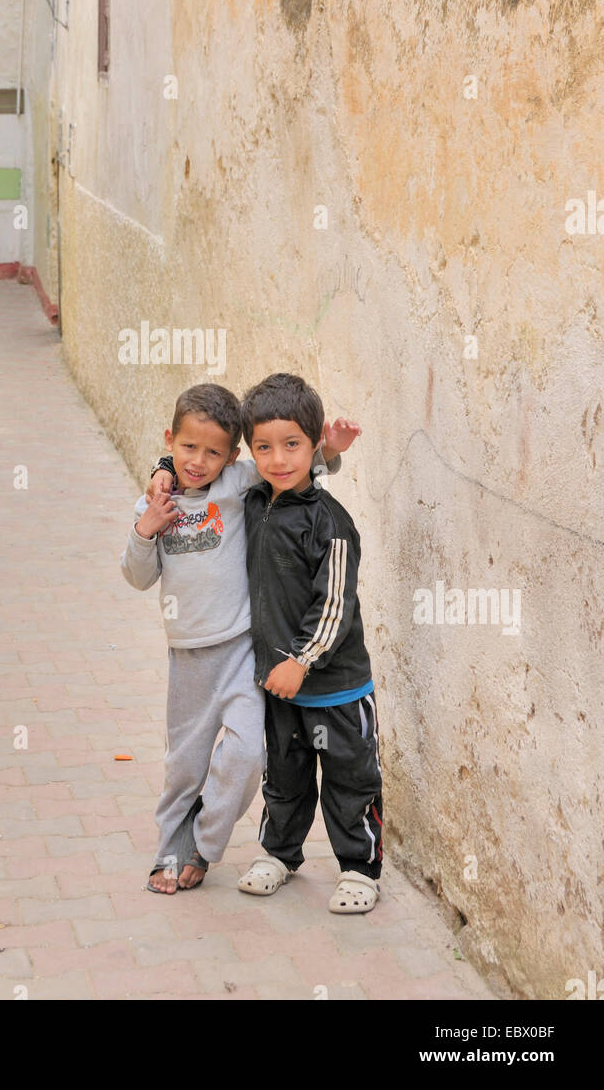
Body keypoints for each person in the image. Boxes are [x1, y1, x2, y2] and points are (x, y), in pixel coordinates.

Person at [123, 382, 358, 893]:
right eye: (187, 449)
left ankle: (204, 845)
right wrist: (145, 528)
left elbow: (292, 470)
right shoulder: (155, 503)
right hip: (188, 660)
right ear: (169, 440)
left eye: (213, 452)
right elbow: (138, 577)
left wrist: (331, 451)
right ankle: (171, 848)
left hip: (242, 653)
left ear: (232, 457)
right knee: (184, 765)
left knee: (249, 754)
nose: (198, 461)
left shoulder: (236, 485)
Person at [235, 372, 382, 914]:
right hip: (280, 686)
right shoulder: (254, 503)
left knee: (350, 778)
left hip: (336, 687)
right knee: (285, 776)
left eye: (292, 445)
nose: (278, 459)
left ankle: (359, 869)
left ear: (313, 444)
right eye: (264, 447)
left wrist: (301, 660)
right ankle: (279, 853)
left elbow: (334, 606)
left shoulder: (331, 524)